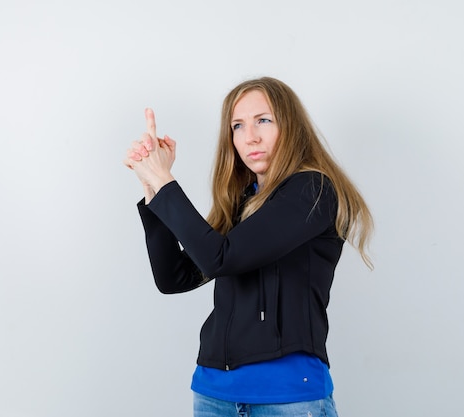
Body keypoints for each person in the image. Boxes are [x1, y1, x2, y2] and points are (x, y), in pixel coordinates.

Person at [123, 77, 373, 417]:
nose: (249, 136)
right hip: (214, 394)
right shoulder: (242, 200)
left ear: (292, 127)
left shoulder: (313, 191)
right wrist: (153, 187)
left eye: (263, 120)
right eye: (237, 126)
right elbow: (174, 278)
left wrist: (167, 183)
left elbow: (219, 258)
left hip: (288, 398)